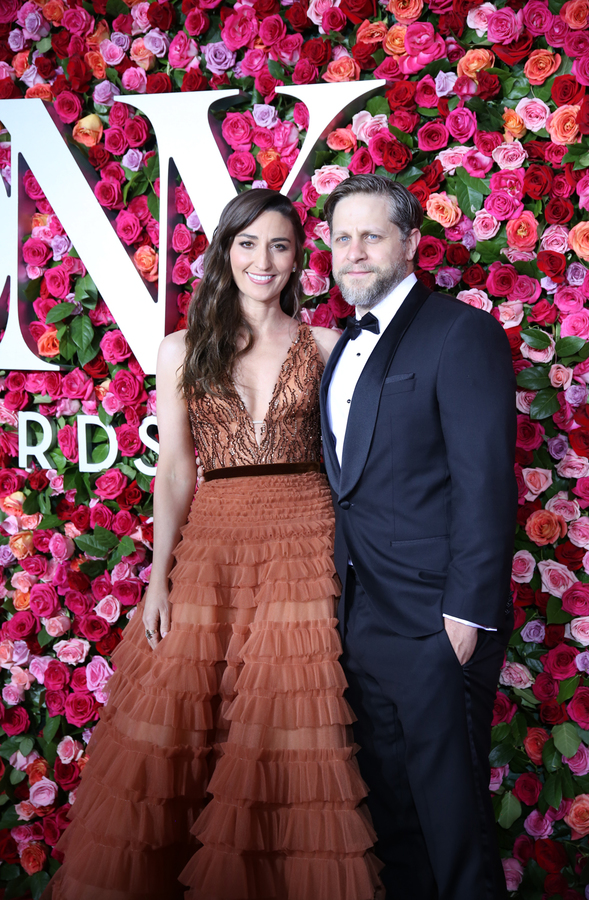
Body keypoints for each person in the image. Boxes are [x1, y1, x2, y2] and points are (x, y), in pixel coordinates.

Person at [44, 189, 382, 900]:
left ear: (298, 260)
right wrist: (158, 577)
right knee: (181, 722)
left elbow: (359, 463)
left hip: (305, 541)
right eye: (248, 244)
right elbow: (175, 470)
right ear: (226, 253)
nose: (264, 260)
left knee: (290, 720)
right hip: (215, 542)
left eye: (281, 246)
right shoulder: (181, 350)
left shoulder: (327, 346)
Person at [319, 173, 517, 900]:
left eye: (372, 235)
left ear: (411, 243)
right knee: (395, 824)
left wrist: (464, 618)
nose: (356, 251)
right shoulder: (343, 345)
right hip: (363, 620)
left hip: (437, 624)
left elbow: (486, 482)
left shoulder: (461, 333)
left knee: (452, 828)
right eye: (343, 237)